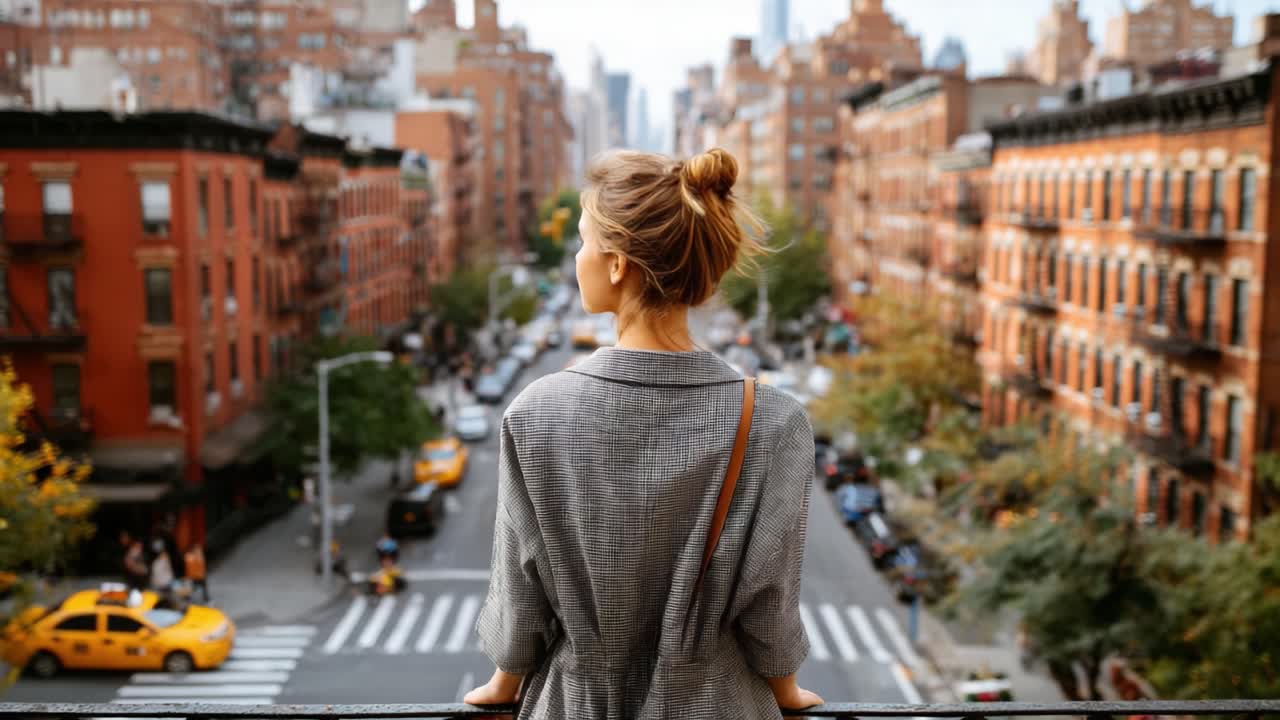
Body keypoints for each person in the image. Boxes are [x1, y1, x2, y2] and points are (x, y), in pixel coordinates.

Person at [464, 148, 822, 717]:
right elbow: (769, 599)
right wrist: (786, 692)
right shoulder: (775, 421)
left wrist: (504, 684)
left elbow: (521, 590)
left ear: (617, 264)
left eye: (583, 241)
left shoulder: (536, 413)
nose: (577, 257)